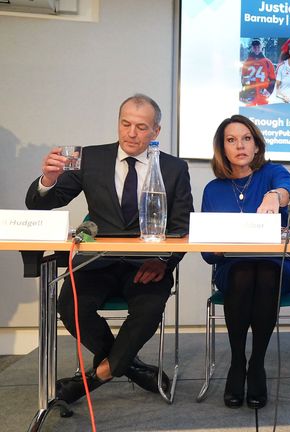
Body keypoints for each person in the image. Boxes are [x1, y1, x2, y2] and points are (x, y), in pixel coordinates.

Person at [25, 94, 194, 405]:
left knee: (148, 309)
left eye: (141, 127)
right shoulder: (87, 157)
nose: (131, 133)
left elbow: (182, 225)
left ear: (155, 131)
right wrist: (48, 179)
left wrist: (161, 260)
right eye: (125, 124)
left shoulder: (174, 168)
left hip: (146, 264)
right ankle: (128, 366)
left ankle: (96, 376)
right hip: (97, 262)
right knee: (70, 305)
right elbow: (40, 203)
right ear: (118, 123)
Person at [200, 115, 290, 409]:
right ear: (222, 148)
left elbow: (285, 188)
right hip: (233, 268)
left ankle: (256, 364)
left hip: (278, 265)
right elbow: (206, 254)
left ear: (256, 145)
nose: (239, 145)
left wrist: (273, 197)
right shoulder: (213, 190)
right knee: (244, 272)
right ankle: (237, 361)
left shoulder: (272, 173)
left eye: (246, 138)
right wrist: (217, 248)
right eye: (231, 140)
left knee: (265, 272)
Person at [240, 39, 276, 106]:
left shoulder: (268, 62)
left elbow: (273, 79)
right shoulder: (247, 62)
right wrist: (245, 91)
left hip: (262, 94)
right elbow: (243, 78)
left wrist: (269, 91)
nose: (256, 49)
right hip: (250, 94)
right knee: (249, 114)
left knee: (263, 114)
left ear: (261, 47)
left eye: (258, 47)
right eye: (254, 47)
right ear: (252, 48)